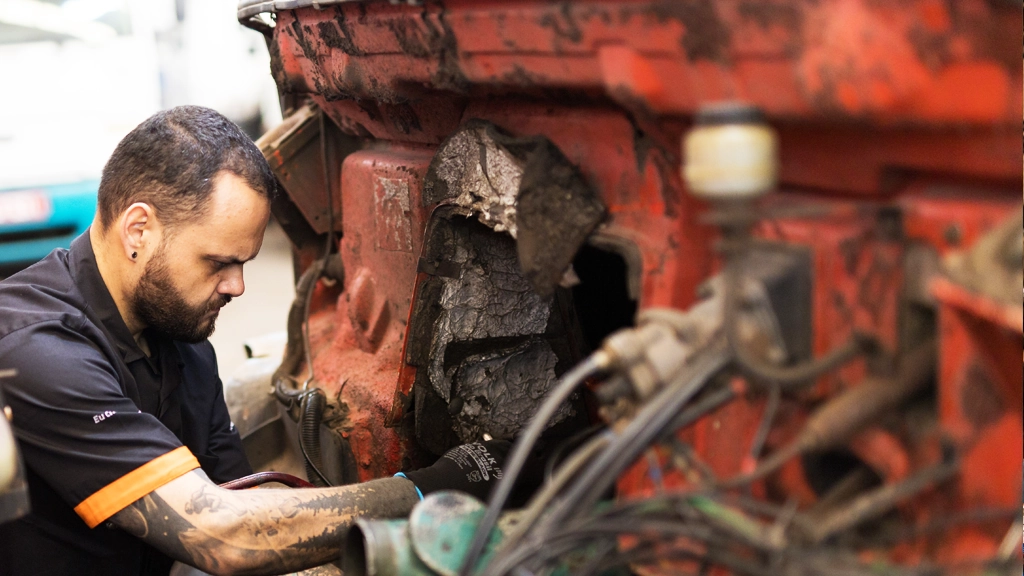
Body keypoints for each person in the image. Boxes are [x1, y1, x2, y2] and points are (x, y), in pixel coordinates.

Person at [0, 106, 513, 576]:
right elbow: (223, 533)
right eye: (219, 262)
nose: (238, 286)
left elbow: (249, 498)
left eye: (244, 263)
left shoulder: (184, 342)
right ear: (138, 231)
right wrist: (432, 487)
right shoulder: (34, 349)